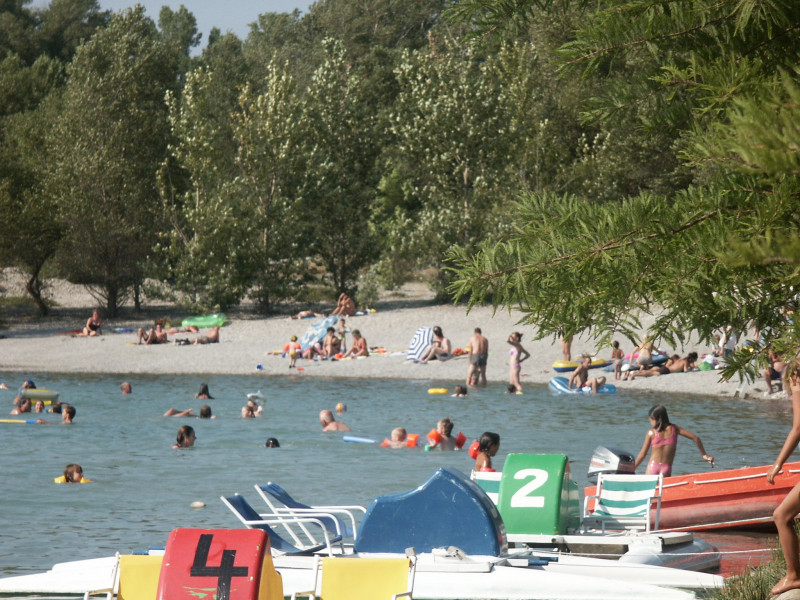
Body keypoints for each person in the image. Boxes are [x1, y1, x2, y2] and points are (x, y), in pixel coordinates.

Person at [766, 358, 800, 596]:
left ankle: (793, 576)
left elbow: (798, 427)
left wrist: (778, 463)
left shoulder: (797, 376)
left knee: (782, 515)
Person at [633, 405, 714, 476]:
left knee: (650, 491)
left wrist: (632, 469)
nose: (650, 423)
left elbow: (642, 455)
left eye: (651, 420)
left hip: (653, 467)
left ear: (658, 420)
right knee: (664, 492)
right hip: (666, 468)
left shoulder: (651, 433)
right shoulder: (675, 429)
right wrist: (704, 455)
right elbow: (695, 438)